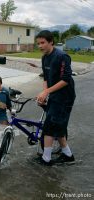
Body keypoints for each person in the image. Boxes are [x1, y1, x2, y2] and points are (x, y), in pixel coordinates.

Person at [36, 30, 76, 166]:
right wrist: (44, 93)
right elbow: (46, 77)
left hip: (65, 97)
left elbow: (65, 79)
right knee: (58, 126)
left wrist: (46, 91)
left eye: (43, 43)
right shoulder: (44, 57)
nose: (40, 46)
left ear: (51, 42)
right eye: (38, 43)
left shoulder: (62, 56)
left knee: (49, 126)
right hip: (54, 94)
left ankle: (46, 159)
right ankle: (68, 155)